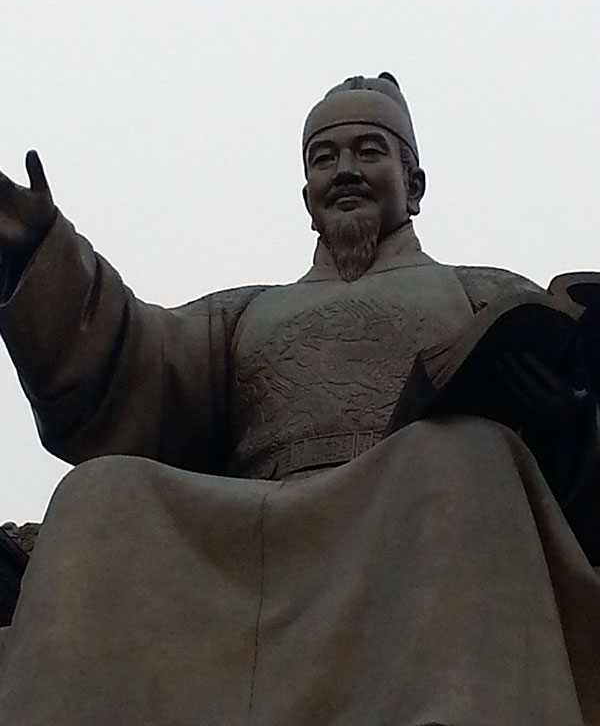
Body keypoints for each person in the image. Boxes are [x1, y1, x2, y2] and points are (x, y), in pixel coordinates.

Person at [0, 73, 599, 725]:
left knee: (458, 451)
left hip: (417, 528)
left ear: (414, 185)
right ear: (307, 198)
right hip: (258, 527)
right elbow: (135, 358)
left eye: (369, 151)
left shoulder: (480, 290)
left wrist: (570, 422)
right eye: (324, 157)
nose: (345, 171)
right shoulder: (245, 314)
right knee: (100, 490)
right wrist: (42, 253)